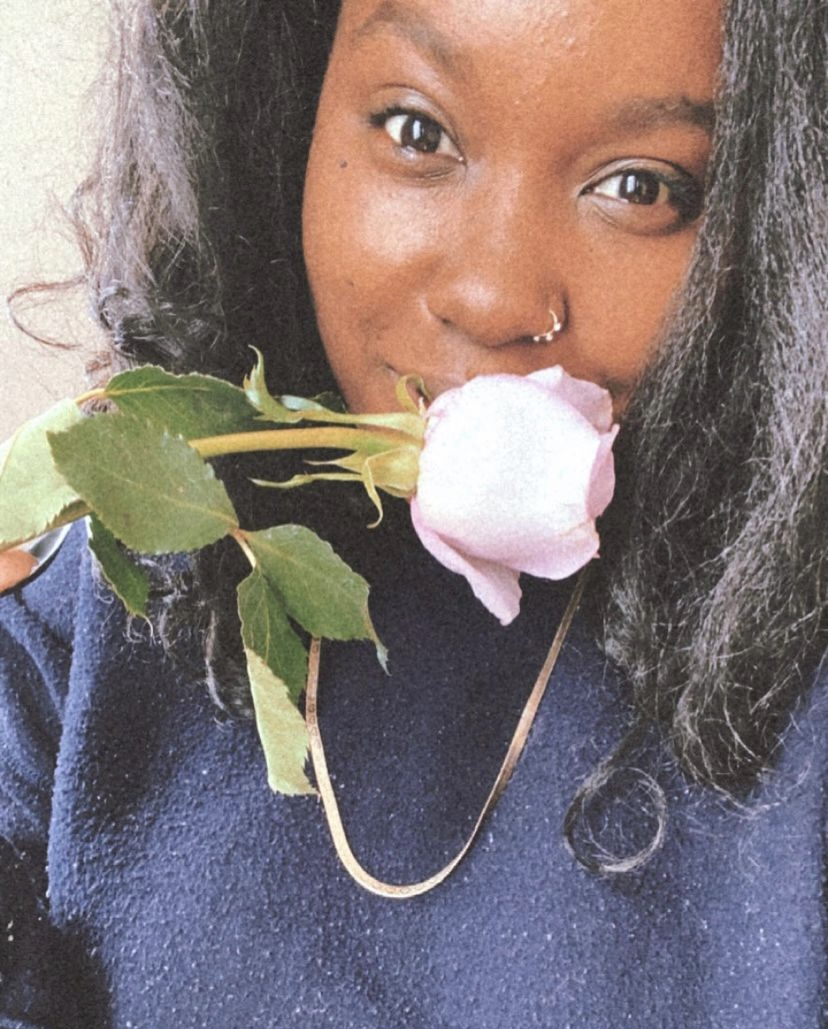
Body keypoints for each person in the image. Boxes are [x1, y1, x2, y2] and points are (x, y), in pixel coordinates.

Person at [1, 0, 825, 1025]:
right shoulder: (81, 621)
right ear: (287, 111)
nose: (492, 297)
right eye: (416, 131)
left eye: (641, 187)